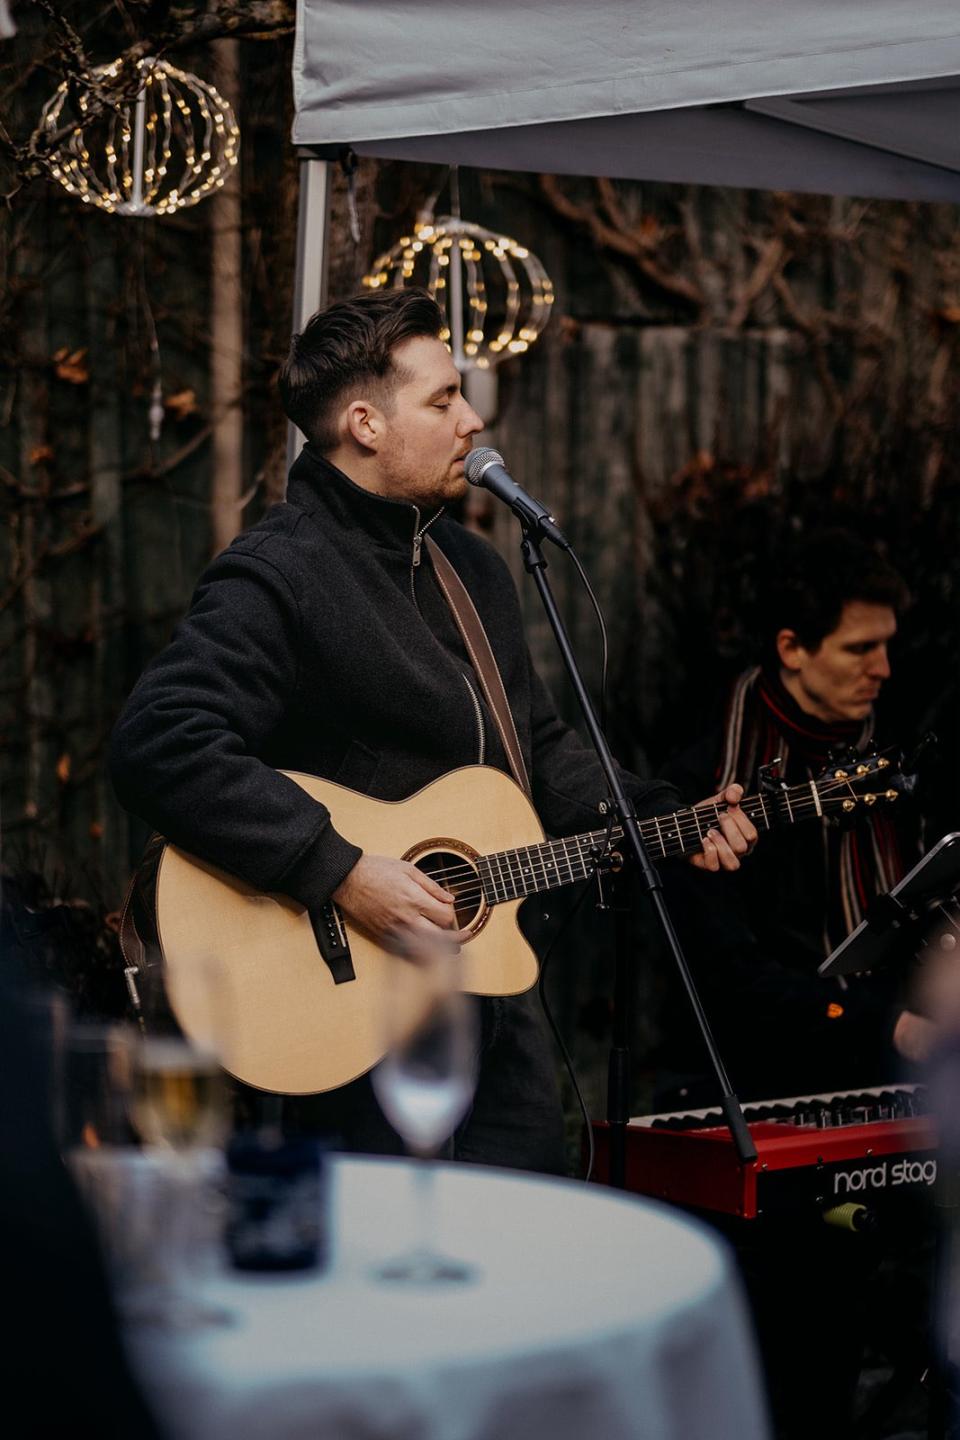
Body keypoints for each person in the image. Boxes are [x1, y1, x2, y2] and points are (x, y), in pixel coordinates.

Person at [109, 288, 755, 1176]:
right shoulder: (280, 573)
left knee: (524, 1221)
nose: (472, 420)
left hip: (486, 991)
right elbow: (161, 739)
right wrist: (340, 870)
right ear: (366, 424)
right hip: (348, 1011)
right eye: (444, 398)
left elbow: (535, 744)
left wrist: (657, 813)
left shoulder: (472, 569)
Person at [659, 529, 931, 1103]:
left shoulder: (897, 756)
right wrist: (891, 1026)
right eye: (859, 649)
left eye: (886, 645)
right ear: (792, 649)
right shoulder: (707, 782)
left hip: (905, 1071)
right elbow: (726, 977)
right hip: (756, 1085)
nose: (883, 668)